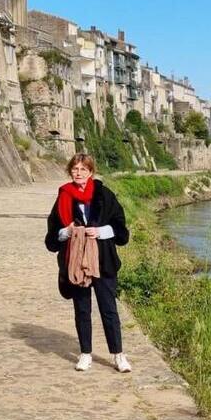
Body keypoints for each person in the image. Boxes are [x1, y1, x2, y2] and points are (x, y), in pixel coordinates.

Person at [45, 154, 132, 372]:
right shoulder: (64, 196)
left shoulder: (104, 195)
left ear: (91, 172)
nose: (79, 173)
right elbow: (52, 236)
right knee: (82, 309)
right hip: (75, 263)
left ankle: (118, 355)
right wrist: (68, 232)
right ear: (70, 172)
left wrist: (99, 231)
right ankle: (85, 354)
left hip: (102, 261)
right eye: (75, 169)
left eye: (83, 169)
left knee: (108, 309)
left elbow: (121, 230)